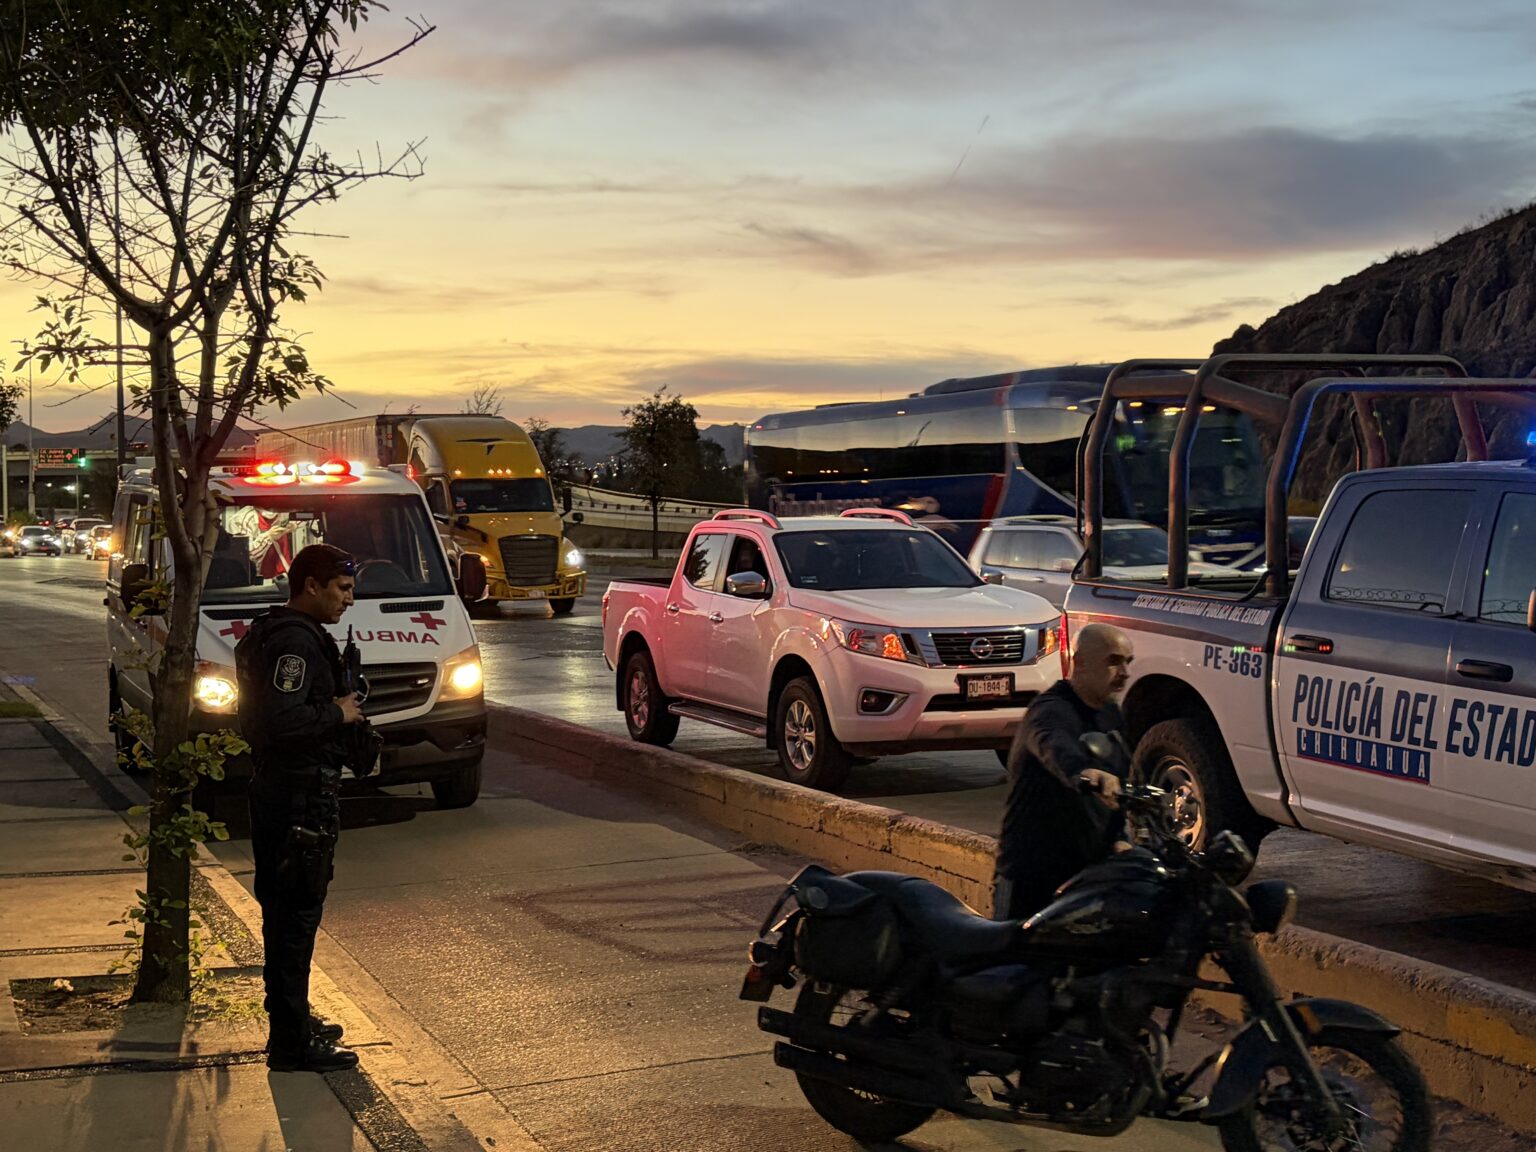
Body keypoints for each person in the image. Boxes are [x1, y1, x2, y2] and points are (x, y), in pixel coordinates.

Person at [234, 543, 365, 1073]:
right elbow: (280, 723)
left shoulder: (285, 633)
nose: (349, 600)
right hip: (297, 798)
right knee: (294, 918)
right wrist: (338, 713)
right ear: (310, 585)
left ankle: (293, 1019)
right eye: (343, 589)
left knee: (289, 915)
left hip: (290, 794)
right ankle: (291, 1044)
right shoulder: (293, 643)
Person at [994, 623, 1135, 921]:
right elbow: (1054, 745)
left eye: (1127, 662)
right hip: (1033, 874)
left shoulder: (1111, 715)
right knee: (1013, 963)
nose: (1124, 672)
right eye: (1113, 661)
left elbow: (1118, 790)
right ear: (1079, 662)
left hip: (1087, 874)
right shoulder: (1051, 710)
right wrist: (1085, 772)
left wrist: (1119, 837)